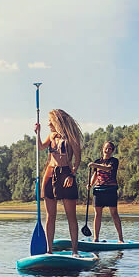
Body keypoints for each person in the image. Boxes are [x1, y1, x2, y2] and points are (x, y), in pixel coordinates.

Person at [35, 109, 83, 255]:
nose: (48, 124)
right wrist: (38, 133)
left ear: (57, 121)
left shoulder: (72, 137)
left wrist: (72, 174)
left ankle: (75, 251)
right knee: (50, 216)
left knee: (71, 216)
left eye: (50, 121)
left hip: (66, 174)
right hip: (50, 174)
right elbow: (40, 147)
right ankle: (49, 250)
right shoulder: (51, 136)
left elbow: (78, 159)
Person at [87, 140, 125, 242]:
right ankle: (96, 238)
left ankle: (121, 239)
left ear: (112, 151)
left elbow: (108, 169)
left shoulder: (114, 161)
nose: (107, 150)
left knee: (114, 213)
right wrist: (90, 184)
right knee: (97, 214)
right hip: (98, 190)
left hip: (110, 190)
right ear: (102, 149)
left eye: (110, 149)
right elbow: (95, 175)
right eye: (106, 148)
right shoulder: (97, 161)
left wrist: (95, 165)